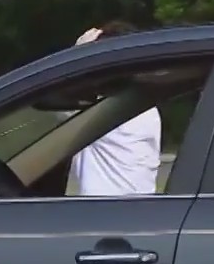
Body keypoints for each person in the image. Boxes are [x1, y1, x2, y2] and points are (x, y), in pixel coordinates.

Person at [68, 20, 162, 196]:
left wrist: (78, 53)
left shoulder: (102, 113)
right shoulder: (146, 110)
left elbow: (53, 97)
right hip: (135, 215)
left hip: (103, 217)